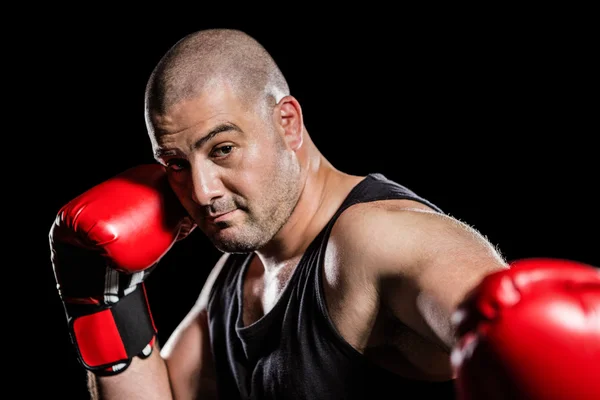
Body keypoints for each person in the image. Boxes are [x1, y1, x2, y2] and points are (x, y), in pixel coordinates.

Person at [49, 28, 600, 400]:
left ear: (287, 124)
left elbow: (495, 313)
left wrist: (522, 344)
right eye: (174, 163)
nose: (202, 190)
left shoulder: (375, 240)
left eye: (222, 150)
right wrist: (102, 298)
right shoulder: (240, 272)